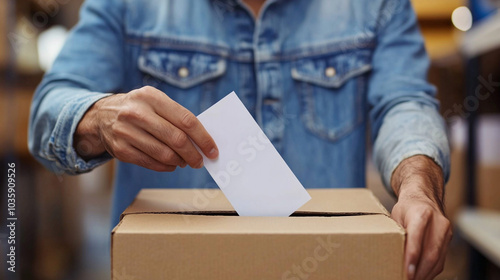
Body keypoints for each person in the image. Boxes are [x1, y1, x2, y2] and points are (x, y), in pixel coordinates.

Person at [28, 0, 452, 279]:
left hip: (327, 264)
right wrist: (99, 116)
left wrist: (418, 187)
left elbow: (404, 101)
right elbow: (50, 107)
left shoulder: (374, 7)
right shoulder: (130, 6)